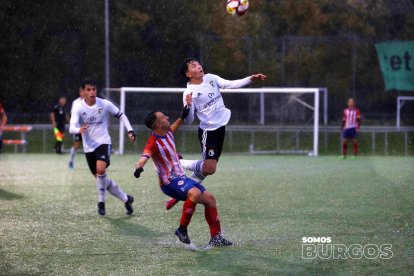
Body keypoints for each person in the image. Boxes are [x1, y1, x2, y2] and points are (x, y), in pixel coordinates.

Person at [165, 58, 267, 210]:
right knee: (209, 168)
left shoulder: (211, 78)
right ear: (188, 74)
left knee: (206, 170)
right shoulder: (188, 92)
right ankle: (178, 163)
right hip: (209, 132)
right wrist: (189, 106)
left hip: (221, 128)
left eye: (198, 63)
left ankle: (181, 194)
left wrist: (251, 78)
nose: (199, 66)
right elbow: (190, 120)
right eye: (194, 66)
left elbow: (231, 84)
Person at [134, 103, 233, 247]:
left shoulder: (167, 133)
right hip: (169, 182)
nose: (167, 117)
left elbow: (175, 126)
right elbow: (144, 157)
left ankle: (216, 237)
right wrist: (139, 168)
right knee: (194, 193)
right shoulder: (153, 142)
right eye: (163, 117)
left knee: (210, 199)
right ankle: (182, 229)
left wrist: (182, 116)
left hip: (181, 178)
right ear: (157, 124)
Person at [69, 78, 136, 216]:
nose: (92, 92)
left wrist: (130, 130)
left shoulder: (104, 104)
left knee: (101, 170)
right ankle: (126, 199)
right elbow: (71, 127)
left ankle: (101, 203)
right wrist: (79, 130)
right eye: (88, 90)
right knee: (102, 179)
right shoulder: (78, 106)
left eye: (94, 89)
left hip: (103, 142)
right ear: (83, 92)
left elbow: (121, 115)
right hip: (88, 147)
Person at [68, 88, 85, 169]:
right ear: (79, 92)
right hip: (78, 128)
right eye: (81, 91)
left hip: (89, 128)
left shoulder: (89, 101)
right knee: (77, 145)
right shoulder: (75, 102)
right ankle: (71, 161)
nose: (82, 93)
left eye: (83, 91)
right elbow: (72, 115)